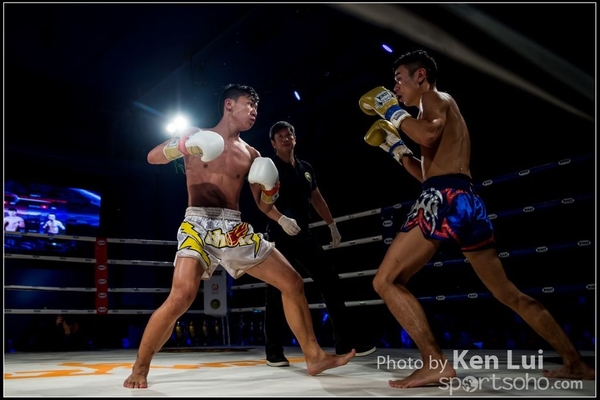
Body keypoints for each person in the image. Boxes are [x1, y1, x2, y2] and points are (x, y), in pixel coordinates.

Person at [359, 50, 595, 388]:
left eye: (398, 80)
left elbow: (427, 137)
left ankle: (435, 363)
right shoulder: (430, 112)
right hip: (464, 199)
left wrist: (391, 110)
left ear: (420, 76)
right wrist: (395, 149)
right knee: (508, 293)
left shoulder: (434, 99)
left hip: (444, 199)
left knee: (385, 281)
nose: (394, 88)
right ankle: (575, 362)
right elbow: (427, 174)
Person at [123, 84, 355, 389]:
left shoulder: (252, 153)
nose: (255, 111)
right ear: (229, 105)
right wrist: (184, 146)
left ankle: (314, 356)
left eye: (257, 106)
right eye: (250, 104)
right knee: (181, 296)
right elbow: (153, 157)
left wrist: (272, 192)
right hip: (198, 223)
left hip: (233, 227)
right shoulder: (195, 133)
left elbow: (263, 204)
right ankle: (140, 368)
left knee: (292, 282)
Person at [262, 121, 377, 367]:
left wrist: (331, 224)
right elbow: (262, 202)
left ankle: (345, 342)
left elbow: (316, 197)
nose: (285, 138)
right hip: (280, 234)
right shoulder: (269, 168)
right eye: (280, 136)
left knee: (330, 281)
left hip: (304, 234)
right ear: (273, 143)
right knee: (276, 291)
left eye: (289, 134)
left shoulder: (305, 168)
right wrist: (281, 220)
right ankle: (273, 351)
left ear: (295, 138)